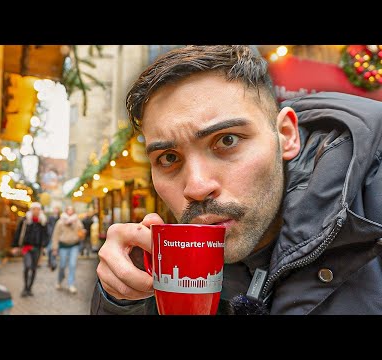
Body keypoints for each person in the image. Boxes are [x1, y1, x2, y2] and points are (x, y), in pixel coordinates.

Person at [91, 45, 382, 315]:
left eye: (227, 140)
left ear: (286, 136)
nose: (197, 187)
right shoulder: (163, 267)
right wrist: (123, 298)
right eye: (168, 158)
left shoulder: (373, 213)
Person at [11, 202, 49, 297]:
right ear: (31, 210)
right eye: (34, 209)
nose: (36, 211)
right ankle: (25, 287)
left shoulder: (43, 222)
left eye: (38, 209)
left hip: (37, 248)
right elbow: (18, 233)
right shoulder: (25, 221)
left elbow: (46, 235)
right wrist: (15, 246)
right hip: (26, 247)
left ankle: (29, 288)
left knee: (34, 268)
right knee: (27, 266)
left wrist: (44, 245)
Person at [51, 205, 84, 294]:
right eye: (68, 210)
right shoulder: (60, 222)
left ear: (73, 211)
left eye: (71, 210)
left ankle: (71, 284)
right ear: (66, 211)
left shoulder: (77, 221)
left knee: (72, 265)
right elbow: (55, 235)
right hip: (63, 246)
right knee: (62, 265)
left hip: (74, 245)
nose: (70, 212)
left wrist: (81, 232)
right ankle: (59, 280)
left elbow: (81, 232)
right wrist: (54, 248)